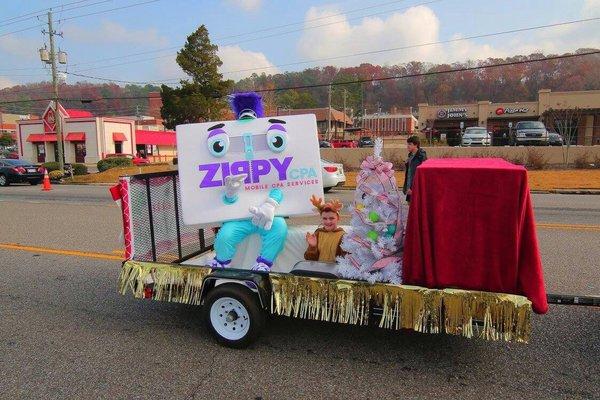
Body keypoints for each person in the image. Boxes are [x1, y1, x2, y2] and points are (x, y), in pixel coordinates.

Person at [304, 195, 346, 263]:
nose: (328, 222)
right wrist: (312, 247)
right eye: (324, 218)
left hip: (334, 272)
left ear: (338, 218)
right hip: (318, 271)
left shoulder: (343, 236)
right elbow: (309, 259)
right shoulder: (318, 233)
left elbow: (346, 261)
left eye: (331, 218)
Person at [403, 135, 427, 202]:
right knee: (409, 204)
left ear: (416, 145)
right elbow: (409, 173)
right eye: (407, 144)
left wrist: (412, 188)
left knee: (415, 206)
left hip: (416, 187)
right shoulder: (410, 155)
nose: (408, 146)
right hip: (409, 186)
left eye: (410, 144)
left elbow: (420, 174)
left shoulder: (421, 156)